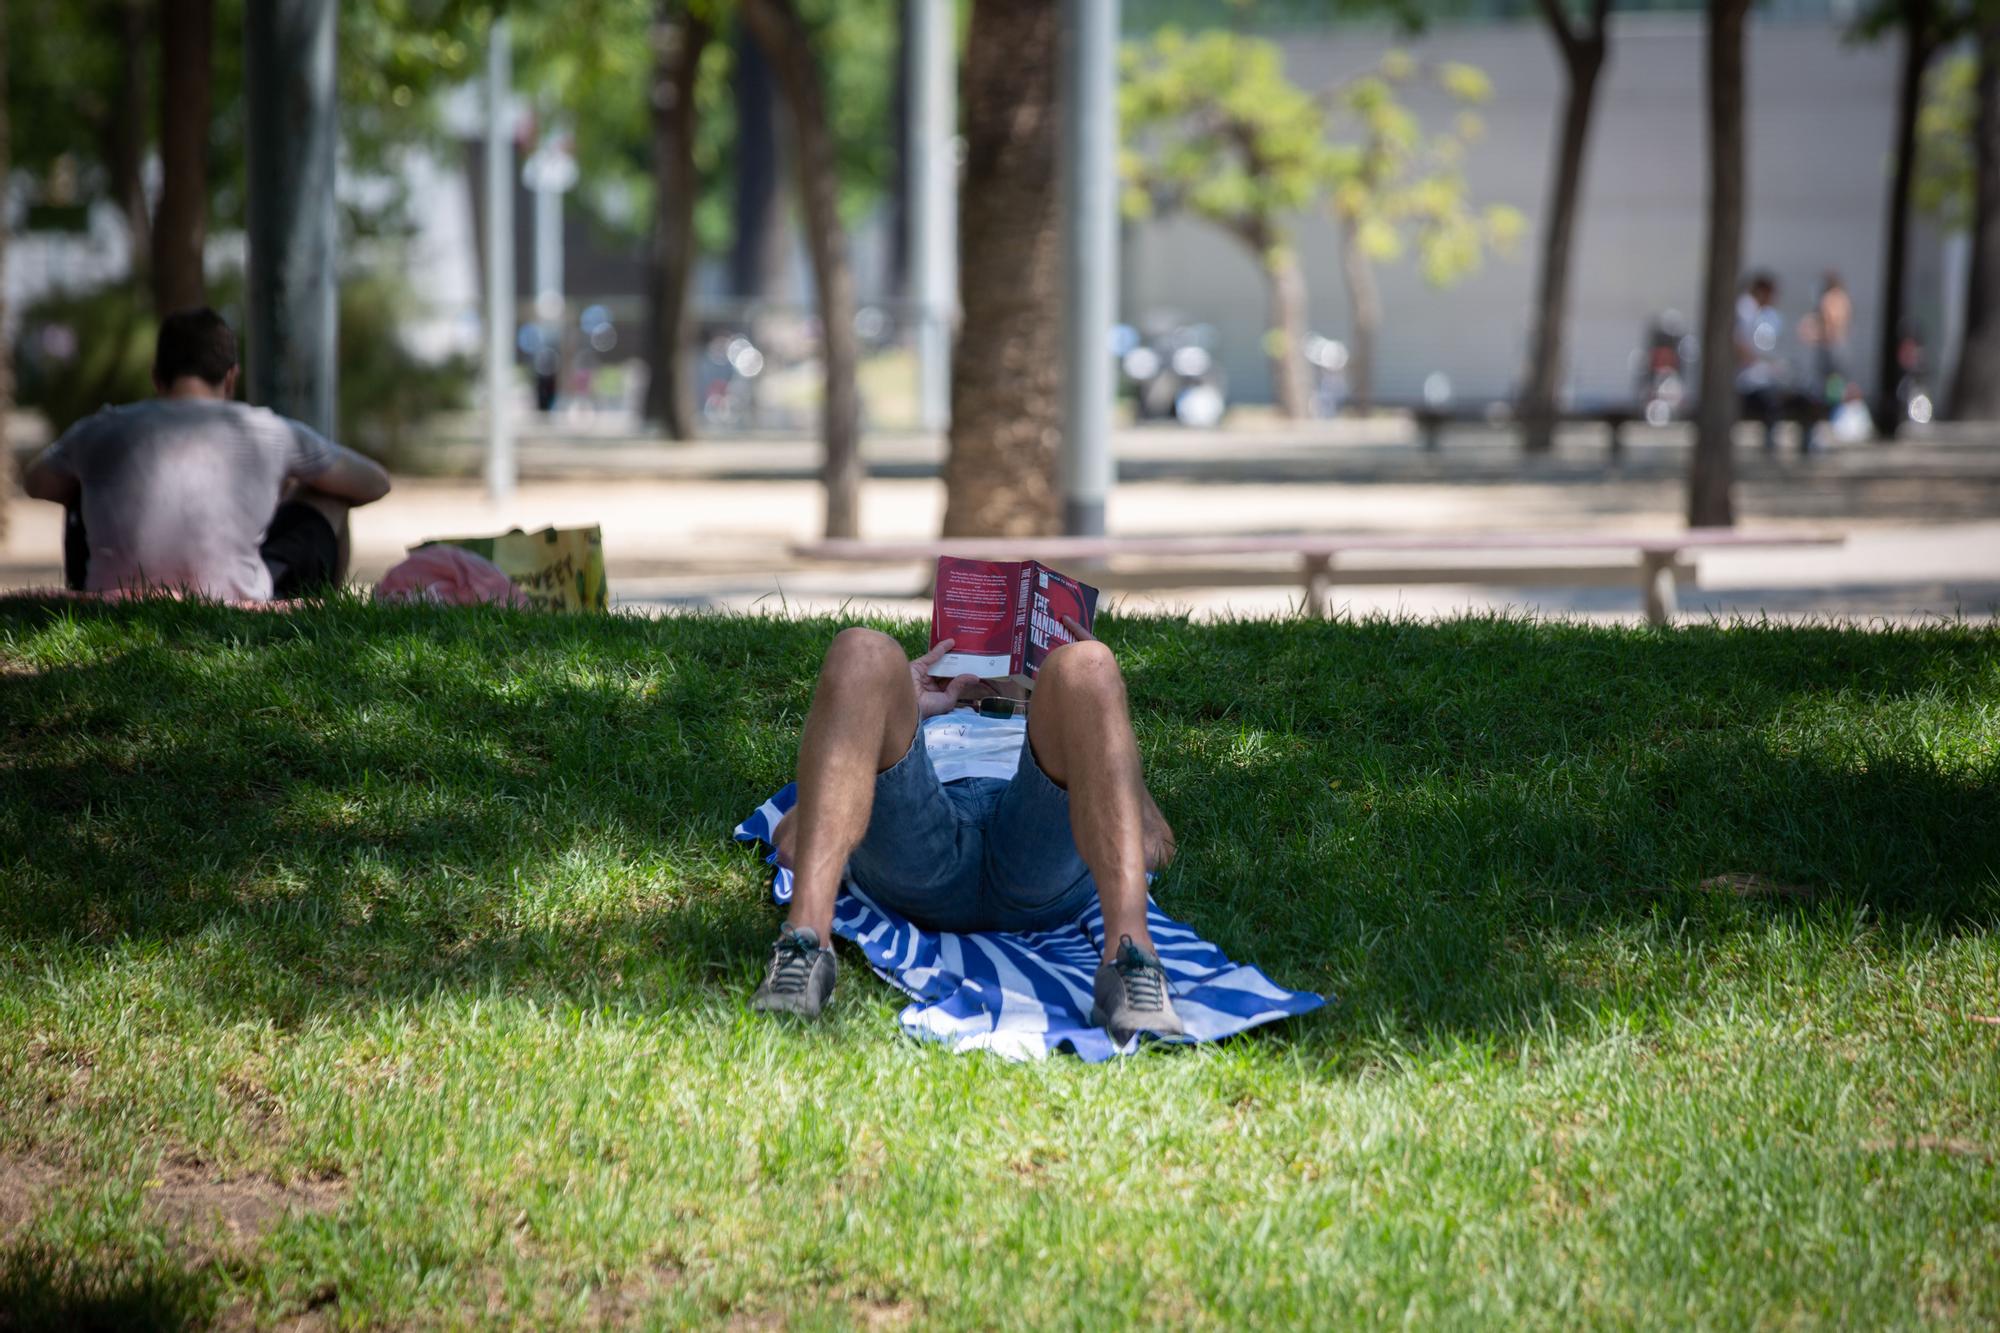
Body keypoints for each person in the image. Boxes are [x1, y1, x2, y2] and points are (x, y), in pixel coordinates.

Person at [752, 622, 1185, 1044]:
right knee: (862, 649)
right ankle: (803, 948)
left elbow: (1155, 847)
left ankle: (1132, 962)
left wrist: (1099, 708)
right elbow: (790, 845)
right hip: (918, 848)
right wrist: (887, 712)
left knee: (1090, 662)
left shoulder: (1055, 724)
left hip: (1037, 852)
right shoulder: (916, 718)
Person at [21, 307, 391, 600]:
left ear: (156, 376)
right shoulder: (268, 430)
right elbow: (374, 483)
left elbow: (37, 483)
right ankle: (322, 611)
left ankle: (92, 586)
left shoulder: (100, 428)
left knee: (77, 485)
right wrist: (288, 486)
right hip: (238, 599)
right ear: (231, 377)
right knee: (330, 494)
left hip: (110, 600)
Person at [1734, 271, 1791, 453]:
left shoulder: (1759, 312)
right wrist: (1758, 361)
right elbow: (1739, 343)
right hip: (1744, 377)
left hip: (1754, 374)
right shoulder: (1745, 309)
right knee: (1771, 399)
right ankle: (1769, 442)